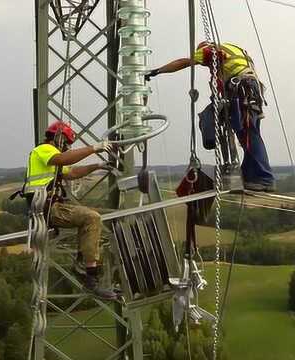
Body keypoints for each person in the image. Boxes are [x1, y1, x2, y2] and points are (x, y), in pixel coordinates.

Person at [146, 41, 276, 192]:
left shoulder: (209, 50)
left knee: (249, 135)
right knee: (246, 136)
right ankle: (250, 177)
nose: (206, 65)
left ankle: (264, 179)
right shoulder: (234, 50)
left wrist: (157, 71)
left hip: (243, 90)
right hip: (249, 91)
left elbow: (184, 62)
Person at [23, 121, 118, 299]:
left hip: (49, 206)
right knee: (92, 218)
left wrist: (96, 166)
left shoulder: (52, 157)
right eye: (66, 142)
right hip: (46, 208)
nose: (67, 147)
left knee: (88, 219)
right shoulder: (43, 150)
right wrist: (95, 148)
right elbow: (64, 159)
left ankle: (83, 265)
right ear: (58, 138)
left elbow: (72, 173)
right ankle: (90, 279)